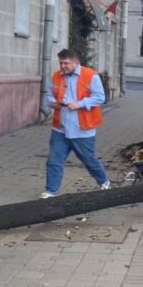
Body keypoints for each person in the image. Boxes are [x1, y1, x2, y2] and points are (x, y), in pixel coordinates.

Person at [42, 49, 111, 198]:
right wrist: (54, 103)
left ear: (75, 62)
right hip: (60, 128)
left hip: (83, 129)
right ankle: (50, 191)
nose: (63, 66)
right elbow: (49, 95)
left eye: (66, 63)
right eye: (61, 63)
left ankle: (104, 182)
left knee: (89, 160)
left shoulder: (90, 75)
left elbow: (100, 97)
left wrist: (79, 104)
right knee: (54, 160)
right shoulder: (56, 76)